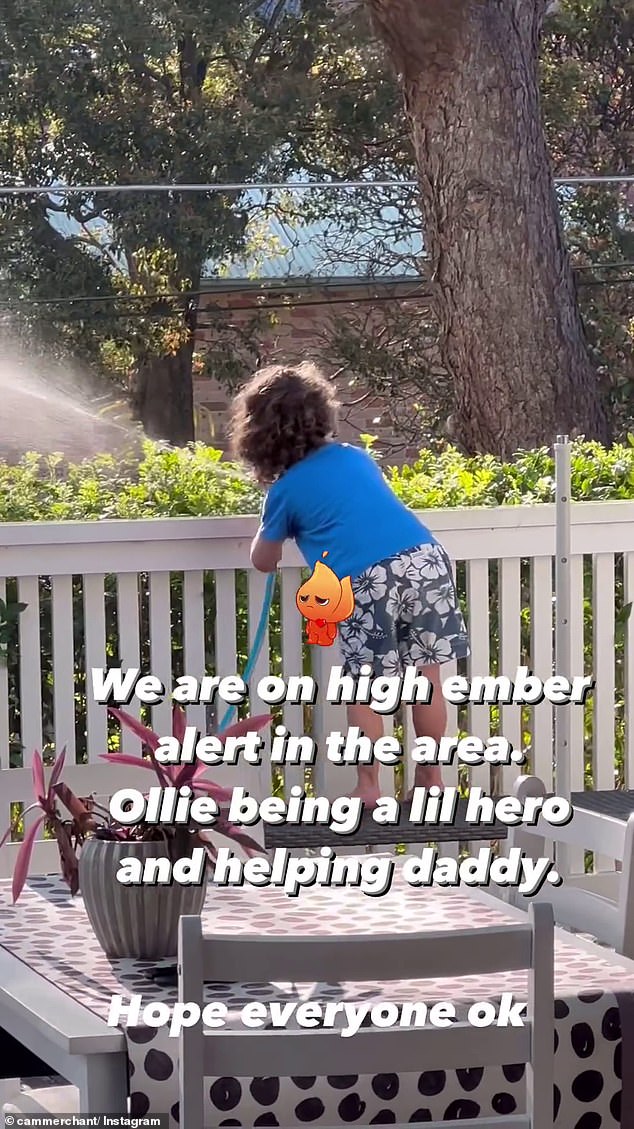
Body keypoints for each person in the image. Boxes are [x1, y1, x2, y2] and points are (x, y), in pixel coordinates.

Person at [228, 361, 470, 806]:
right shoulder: (356, 457)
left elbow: (263, 561)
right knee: (428, 676)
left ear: (259, 435)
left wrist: (269, 531)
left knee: (366, 686)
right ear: (321, 413)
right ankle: (432, 779)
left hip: (365, 580)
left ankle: (370, 787)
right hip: (426, 560)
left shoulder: (284, 491)